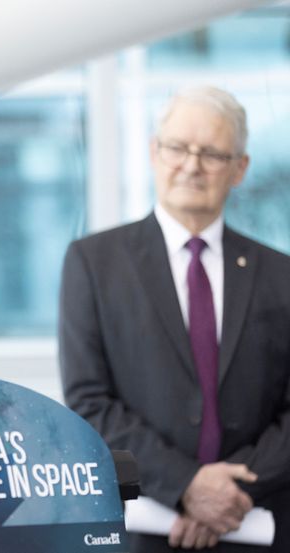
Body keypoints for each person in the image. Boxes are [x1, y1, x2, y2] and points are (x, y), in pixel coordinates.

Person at [59, 86, 290, 552]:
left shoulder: (281, 275)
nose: (191, 164)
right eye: (178, 148)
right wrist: (188, 486)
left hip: (257, 525)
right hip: (140, 526)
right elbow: (88, 402)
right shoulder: (93, 263)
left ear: (240, 168)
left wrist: (229, 495)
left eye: (212, 153)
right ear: (153, 152)